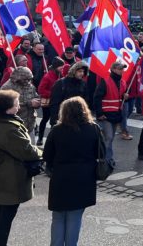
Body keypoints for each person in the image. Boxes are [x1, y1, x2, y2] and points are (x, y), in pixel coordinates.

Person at [0, 89, 43, 246]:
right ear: (7, 108)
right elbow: (27, 151)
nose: (19, 107)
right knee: (5, 218)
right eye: (16, 104)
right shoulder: (8, 128)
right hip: (9, 179)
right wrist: (43, 152)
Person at [43, 97, 102, 246]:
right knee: (75, 217)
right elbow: (101, 153)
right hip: (84, 177)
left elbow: (47, 155)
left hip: (61, 177)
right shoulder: (93, 129)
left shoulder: (57, 130)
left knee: (58, 217)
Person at [93, 60, 128, 166]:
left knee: (110, 138)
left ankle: (104, 157)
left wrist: (125, 96)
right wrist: (99, 114)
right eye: (120, 69)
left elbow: (120, 97)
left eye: (122, 69)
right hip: (106, 115)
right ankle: (107, 160)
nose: (122, 71)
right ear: (113, 69)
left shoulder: (123, 82)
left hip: (116, 114)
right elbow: (97, 98)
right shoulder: (105, 81)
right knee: (108, 137)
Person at [0, 66, 40, 139]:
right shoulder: (7, 87)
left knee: (31, 145)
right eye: (26, 79)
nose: (28, 81)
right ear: (19, 78)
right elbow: (5, 107)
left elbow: (36, 96)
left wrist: (37, 103)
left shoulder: (30, 86)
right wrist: (29, 103)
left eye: (29, 79)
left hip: (30, 125)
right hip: (14, 126)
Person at [48, 61, 89, 127]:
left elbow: (86, 102)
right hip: (62, 118)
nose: (82, 73)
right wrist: (54, 121)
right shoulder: (61, 83)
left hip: (78, 120)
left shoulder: (83, 84)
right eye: (80, 71)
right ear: (73, 71)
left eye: (83, 71)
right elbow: (54, 103)